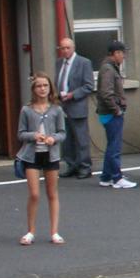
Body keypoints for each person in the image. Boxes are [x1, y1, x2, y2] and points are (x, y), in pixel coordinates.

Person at [16, 73, 67, 246]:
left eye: (45, 85)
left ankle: (54, 231)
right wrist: (34, 135)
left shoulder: (56, 109)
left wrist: (53, 139)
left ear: (50, 88)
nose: (42, 89)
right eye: (39, 86)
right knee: (35, 194)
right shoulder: (26, 110)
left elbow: (62, 132)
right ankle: (30, 231)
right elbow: (21, 134)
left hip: (51, 154)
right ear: (34, 89)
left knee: (52, 193)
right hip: (32, 155)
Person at [96, 41, 136, 188]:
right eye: (122, 53)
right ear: (116, 53)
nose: (124, 56)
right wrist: (117, 110)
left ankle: (106, 176)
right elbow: (106, 93)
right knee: (115, 146)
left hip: (108, 112)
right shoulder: (108, 69)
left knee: (112, 144)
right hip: (111, 113)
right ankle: (116, 177)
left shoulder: (109, 67)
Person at [55, 37, 95, 179]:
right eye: (62, 48)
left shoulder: (83, 63)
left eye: (67, 48)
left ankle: (85, 167)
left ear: (73, 48)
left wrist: (72, 95)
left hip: (77, 106)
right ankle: (71, 165)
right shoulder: (59, 63)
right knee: (67, 139)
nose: (65, 51)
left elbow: (89, 85)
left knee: (81, 139)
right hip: (62, 106)